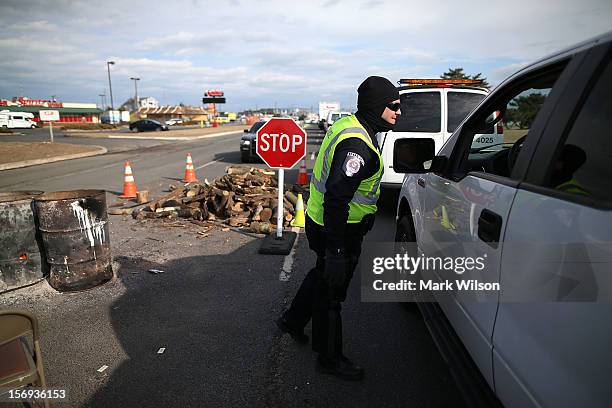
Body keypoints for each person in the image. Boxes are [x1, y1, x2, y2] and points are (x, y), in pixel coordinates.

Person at [276, 76, 401, 380]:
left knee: (321, 276)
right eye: (394, 106)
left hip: (323, 223)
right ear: (376, 107)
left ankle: (292, 320)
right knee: (333, 293)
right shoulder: (357, 145)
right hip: (338, 229)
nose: (399, 112)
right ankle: (329, 358)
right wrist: (337, 250)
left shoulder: (350, 126)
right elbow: (337, 198)